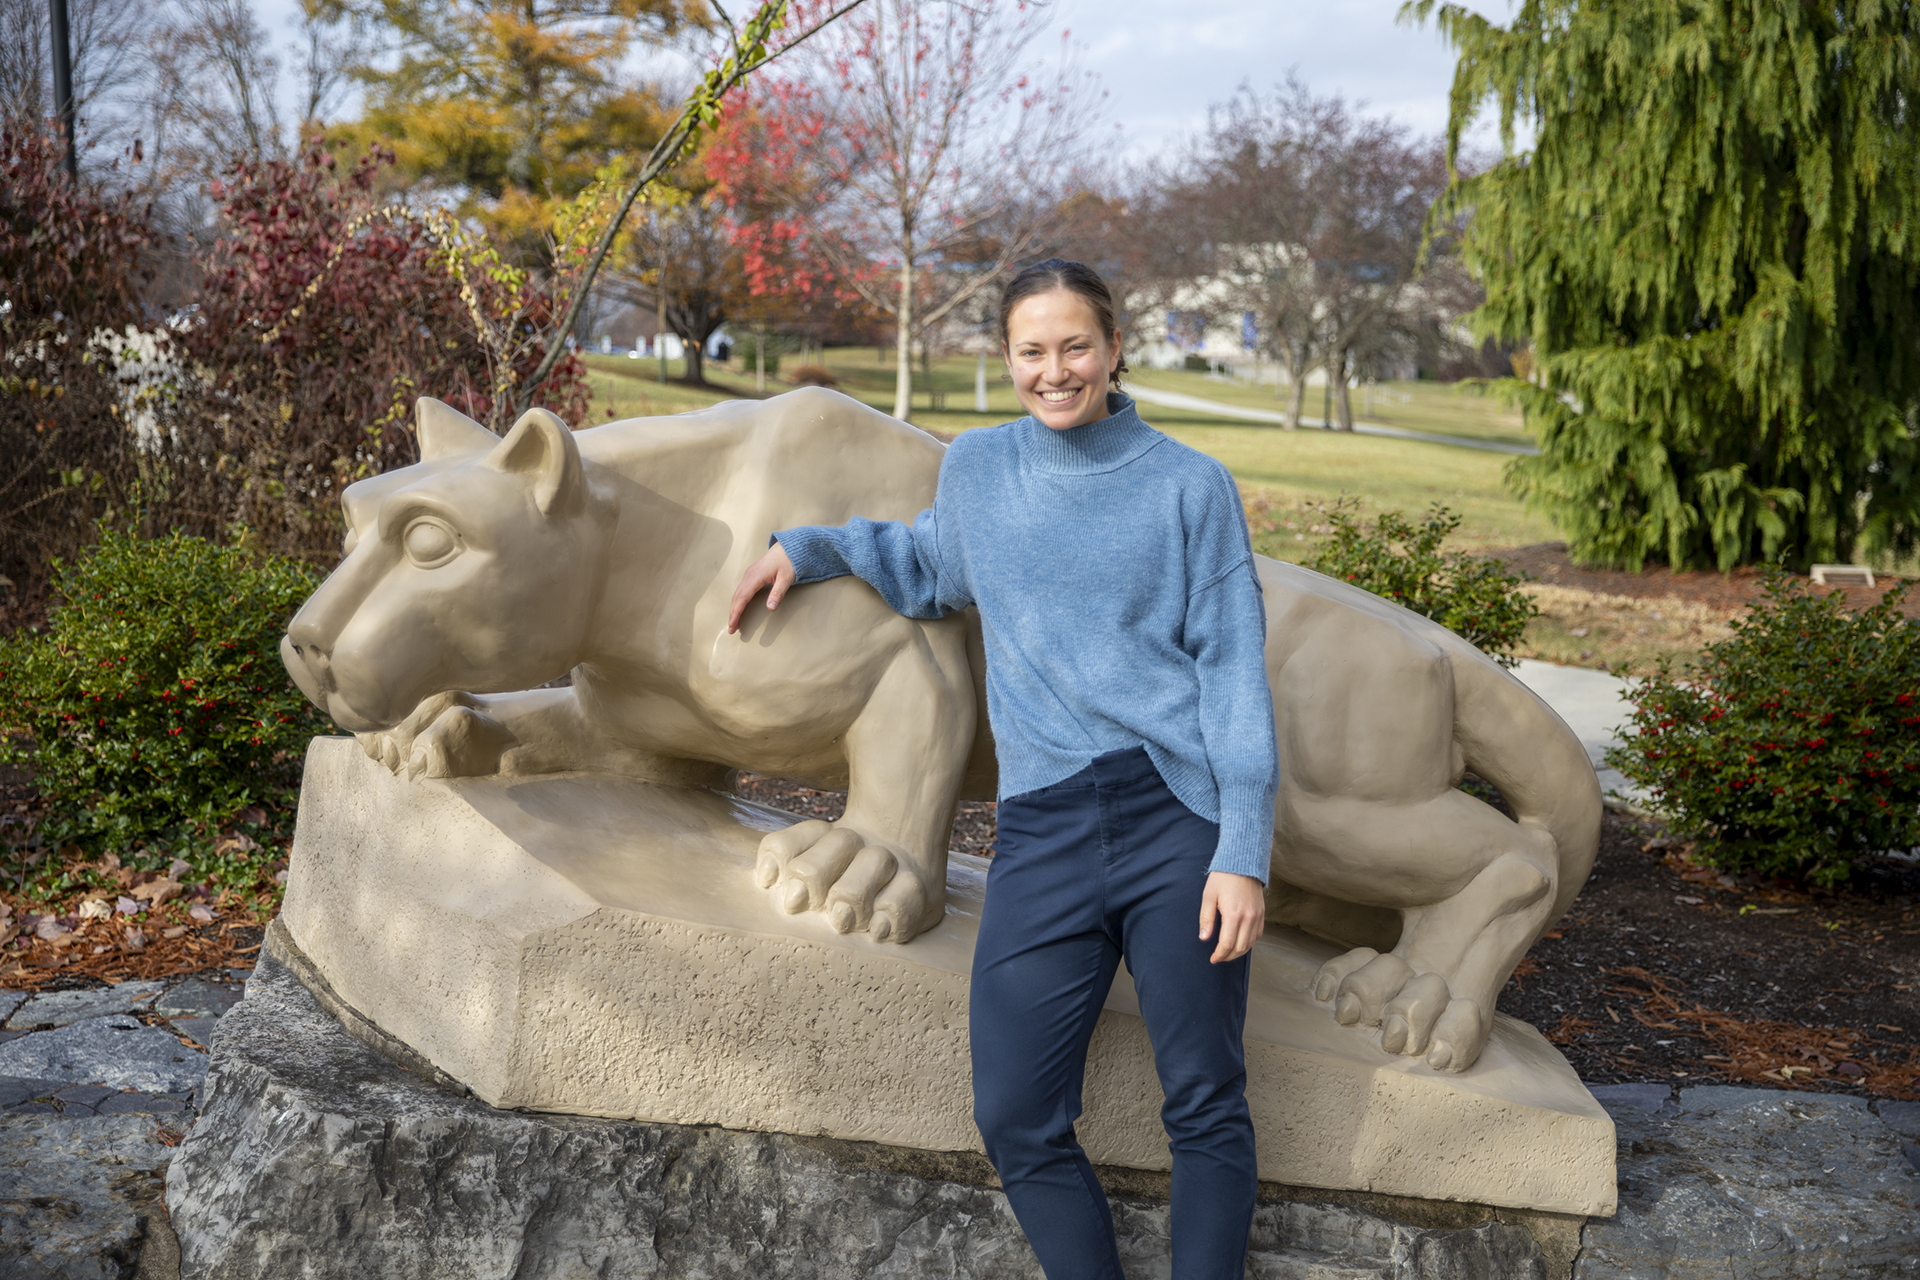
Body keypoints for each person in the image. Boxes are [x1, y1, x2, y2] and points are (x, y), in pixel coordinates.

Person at [727, 259, 1277, 1280]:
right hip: (1046, 830)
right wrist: (808, 547)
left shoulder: (1189, 486)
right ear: (1008, 357)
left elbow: (1234, 673)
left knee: (1203, 1097)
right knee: (1015, 1111)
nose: (1055, 370)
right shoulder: (979, 468)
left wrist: (1241, 846)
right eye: (1033, 350)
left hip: (1177, 822)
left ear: (1115, 350)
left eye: (1076, 346)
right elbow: (932, 563)